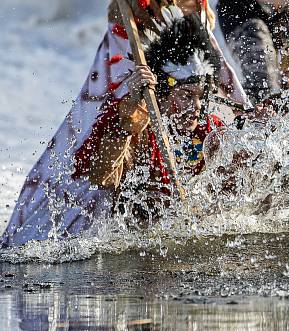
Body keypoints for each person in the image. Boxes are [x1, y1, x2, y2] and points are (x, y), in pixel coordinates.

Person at [1, 1, 249, 248]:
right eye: (185, 96)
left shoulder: (210, 131)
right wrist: (127, 124)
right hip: (133, 240)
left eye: (200, 97)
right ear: (162, 92)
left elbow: (236, 192)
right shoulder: (131, 123)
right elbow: (102, 178)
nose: (194, 107)